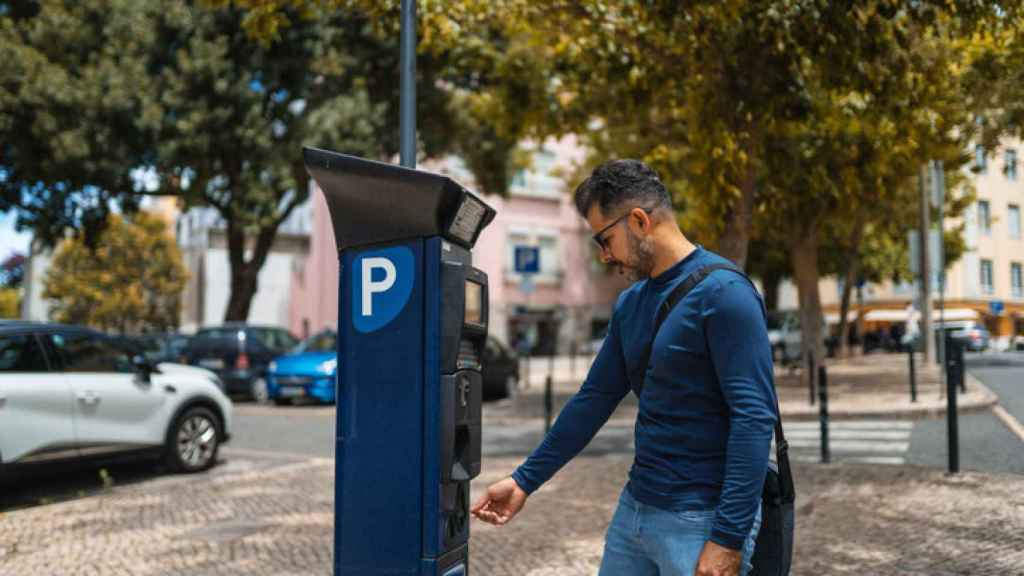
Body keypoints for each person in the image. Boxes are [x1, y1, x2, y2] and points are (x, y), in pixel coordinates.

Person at [471, 159, 778, 576]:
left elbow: (754, 419)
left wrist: (726, 538)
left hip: (700, 519)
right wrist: (525, 480)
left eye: (605, 238)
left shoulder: (725, 295)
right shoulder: (631, 304)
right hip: (635, 511)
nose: (603, 255)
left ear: (638, 220)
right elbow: (593, 401)